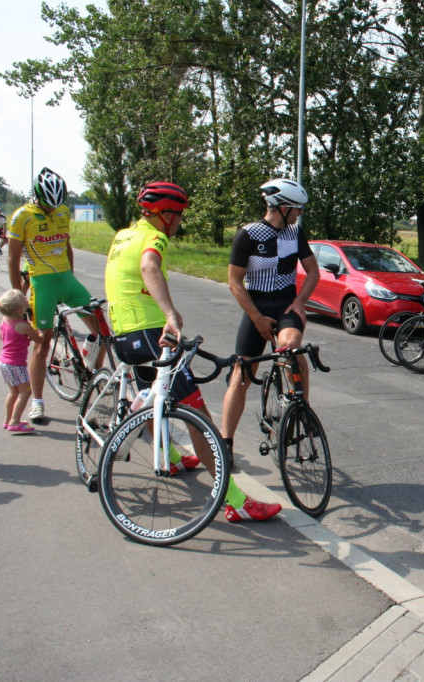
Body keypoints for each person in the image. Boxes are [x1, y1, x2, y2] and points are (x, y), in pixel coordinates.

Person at [105, 181, 281, 523]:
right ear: (165, 215)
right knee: (199, 418)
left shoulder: (123, 235)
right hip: (153, 331)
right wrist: (170, 314)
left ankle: (168, 452)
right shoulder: (155, 237)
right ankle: (235, 501)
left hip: (125, 332)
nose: (180, 222)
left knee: (157, 398)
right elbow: (149, 268)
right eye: (180, 215)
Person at [220, 178, 319, 452]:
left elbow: (313, 272)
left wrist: (299, 302)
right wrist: (256, 317)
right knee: (241, 374)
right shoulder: (248, 234)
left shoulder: (295, 233)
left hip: (286, 305)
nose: (300, 213)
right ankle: (225, 443)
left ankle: (301, 407)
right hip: (257, 306)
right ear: (282, 207)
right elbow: (234, 282)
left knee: (291, 348)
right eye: (297, 208)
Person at [7, 167, 102, 422]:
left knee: (102, 328)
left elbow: (67, 245)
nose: (52, 210)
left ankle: (92, 371)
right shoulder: (21, 216)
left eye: (56, 205)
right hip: (42, 283)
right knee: (42, 343)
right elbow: (13, 258)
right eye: (48, 205)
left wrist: (71, 275)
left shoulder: (61, 211)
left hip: (67, 280)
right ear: (37, 197)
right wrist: (18, 297)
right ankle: (37, 402)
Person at [0, 289, 41, 433]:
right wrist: (41, 331)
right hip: (16, 364)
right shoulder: (24, 326)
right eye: (25, 300)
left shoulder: (5, 320)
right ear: (19, 308)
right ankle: (15, 421)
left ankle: (7, 420)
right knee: (25, 392)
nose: (27, 300)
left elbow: (2, 336)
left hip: (3, 362)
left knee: (13, 392)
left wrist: (20, 339)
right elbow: (39, 339)